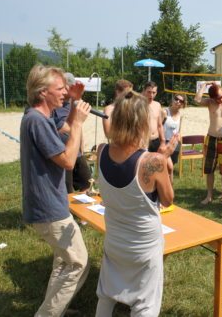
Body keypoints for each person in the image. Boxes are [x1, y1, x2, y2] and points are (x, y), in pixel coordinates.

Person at [95, 92, 176, 316]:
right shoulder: (152, 162)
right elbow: (168, 200)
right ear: (141, 122)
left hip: (114, 240)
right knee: (145, 303)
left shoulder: (101, 151)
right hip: (144, 246)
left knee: (106, 293)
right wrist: (166, 162)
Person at [21, 64, 90, 316]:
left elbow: (62, 132)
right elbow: (68, 161)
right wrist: (80, 125)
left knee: (63, 261)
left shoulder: (39, 117)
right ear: (42, 92)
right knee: (78, 263)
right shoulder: (36, 120)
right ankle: (48, 314)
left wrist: (74, 105)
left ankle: (55, 308)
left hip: (50, 203)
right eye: (60, 89)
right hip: (49, 207)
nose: (65, 92)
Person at [195, 82, 222, 206]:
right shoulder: (210, 102)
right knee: (209, 170)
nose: (221, 99)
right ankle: (209, 195)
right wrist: (204, 85)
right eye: (218, 98)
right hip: (211, 138)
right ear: (213, 98)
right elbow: (197, 100)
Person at [52, 72, 92, 193]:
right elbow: (63, 128)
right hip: (64, 153)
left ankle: (81, 210)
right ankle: (69, 211)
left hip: (77, 153)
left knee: (87, 183)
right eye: (68, 87)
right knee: (67, 190)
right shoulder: (55, 104)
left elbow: (78, 127)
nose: (67, 91)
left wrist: (81, 146)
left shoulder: (74, 103)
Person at [162, 94, 185, 183]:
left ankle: (167, 188)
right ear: (172, 100)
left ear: (183, 104)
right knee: (169, 167)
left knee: (170, 167)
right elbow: (159, 127)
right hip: (165, 142)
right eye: (176, 99)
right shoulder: (165, 112)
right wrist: (162, 141)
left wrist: (178, 137)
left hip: (175, 143)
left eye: (181, 101)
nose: (178, 102)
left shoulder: (180, 115)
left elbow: (179, 130)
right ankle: (168, 188)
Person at [143, 81, 167, 154]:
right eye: (149, 92)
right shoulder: (138, 105)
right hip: (144, 141)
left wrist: (163, 141)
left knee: (166, 165)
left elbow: (160, 125)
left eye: (154, 92)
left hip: (156, 140)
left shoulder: (157, 105)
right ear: (144, 91)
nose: (151, 95)